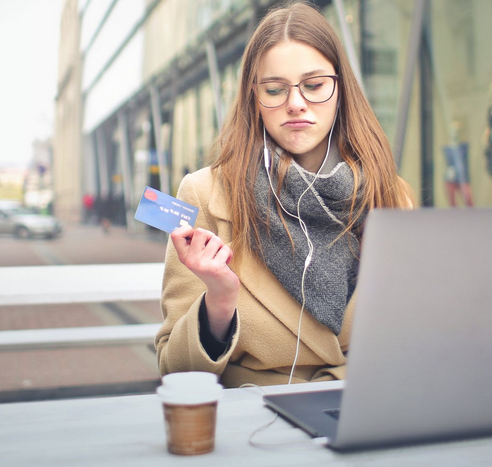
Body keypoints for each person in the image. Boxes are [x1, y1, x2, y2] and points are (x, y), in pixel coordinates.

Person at [156, 1, 413, 388]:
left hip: (367, 406)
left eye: (314, 86)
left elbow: (412, 330)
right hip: (258, 421)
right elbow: (174, 368)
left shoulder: (390, 194)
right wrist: (219, 303)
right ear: (253, 99)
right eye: (275, 89)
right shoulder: (203, 193)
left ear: (341, 89)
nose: (296, 103)